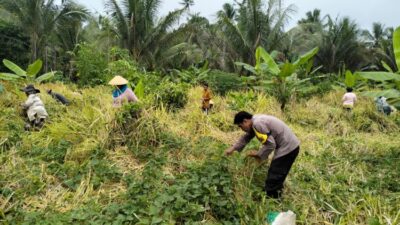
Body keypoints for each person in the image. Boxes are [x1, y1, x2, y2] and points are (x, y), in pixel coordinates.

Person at [225, 111, 300, 199]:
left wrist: (258, 154)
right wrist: (233, 148)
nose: (242, 129)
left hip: (288, 148)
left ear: (245, 121)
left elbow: (271, 144)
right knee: (277, 174)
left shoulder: (258, 124)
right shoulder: (255, 121)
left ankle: (271, 200)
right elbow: (246, 137)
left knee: (274, 175)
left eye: (240, 126)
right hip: (290, 146)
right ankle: (275, 196)